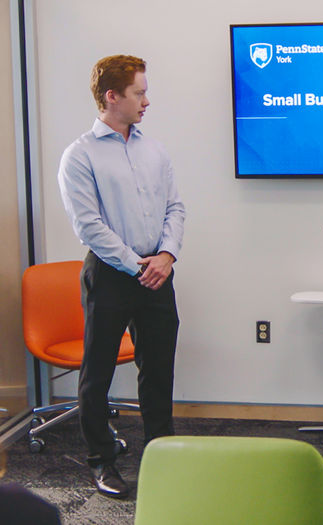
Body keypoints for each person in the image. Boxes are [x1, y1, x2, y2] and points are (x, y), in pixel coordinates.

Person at [57, 55, 185, 499]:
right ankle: (102, 461)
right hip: (111, 274)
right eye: (139, 92)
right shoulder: (79, 155)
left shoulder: (154, 149)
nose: (147, 100)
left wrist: (166, 255)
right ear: (112, 97)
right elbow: (89, 226)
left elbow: (175, 208)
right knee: (98, 371)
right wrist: (138, 265)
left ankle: (162, 455)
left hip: (158, 270)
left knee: (158, 368)